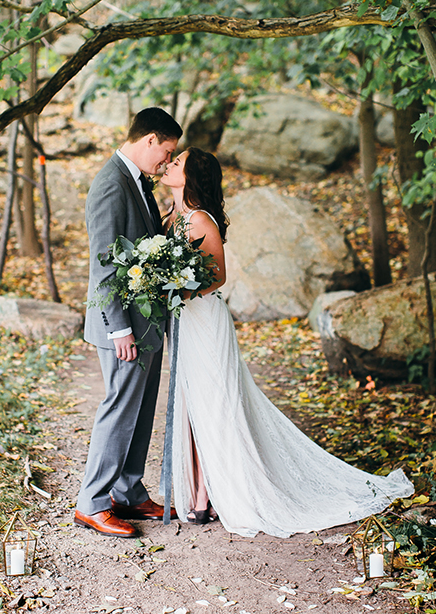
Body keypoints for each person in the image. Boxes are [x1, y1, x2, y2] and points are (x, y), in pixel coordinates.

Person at [159, 147, 414, 535]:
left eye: (178, 162)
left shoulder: (200, 221)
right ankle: (200, 493)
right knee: (193, 403)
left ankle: (224, 493)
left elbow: (218, 277)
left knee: (217, 402)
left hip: (205, 321)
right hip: (184, 322)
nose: (170, 164)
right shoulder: (171, 219)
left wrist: (177, 289)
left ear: (192, 176)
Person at [75, 108, 183, 538]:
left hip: (147, 323)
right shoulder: (109, 185)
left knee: (140, 410)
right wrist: (119, 328)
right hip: (123, 327)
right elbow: (103, 266)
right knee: (119, 407)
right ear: (151, 139)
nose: (166, 162)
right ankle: (93, 503)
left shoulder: (138, 181)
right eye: (168, 152)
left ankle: (128, 490)